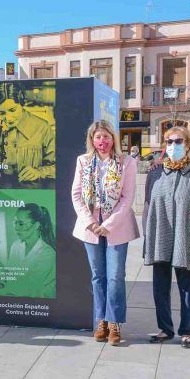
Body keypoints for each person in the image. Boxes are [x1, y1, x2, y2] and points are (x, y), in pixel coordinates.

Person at [71, 120, 139, 346]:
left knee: (115, 277)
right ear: (92, 140)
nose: (103, 141)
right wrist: (90, 222)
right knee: (98, 276)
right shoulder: (83, 161)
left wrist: (107, 224)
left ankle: (115, 322)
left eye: (107, 136)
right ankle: (101, 320)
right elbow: (77, 195)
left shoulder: (126, 162)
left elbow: (127, 198)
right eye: (98, 137)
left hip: (116, 227)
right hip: (90, 228)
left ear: (114, 139)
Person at [143, 126, 190, 348]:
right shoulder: (155, 173)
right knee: (160, 287)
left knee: (186, 287)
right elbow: (147, 207)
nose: (173, 146)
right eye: (169, 142)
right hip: (160, 236)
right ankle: (165, 328)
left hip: (187, 237)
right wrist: (147, 237)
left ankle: (187, 330)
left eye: (178, 141)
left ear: (188, 145)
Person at [0, 83, 55, 186]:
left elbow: (58, 166)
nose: (8, 118)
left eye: (12, 110)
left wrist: (39, 172)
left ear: (22, 104)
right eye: (1, 113)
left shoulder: (43, 128)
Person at [7, 203, 56, 298]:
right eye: (15, 223)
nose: (16, 228)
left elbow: (26, 288)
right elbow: (10, 276)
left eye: (21, 223)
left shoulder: (48, 253)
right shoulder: (15, 246)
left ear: (36, 225)